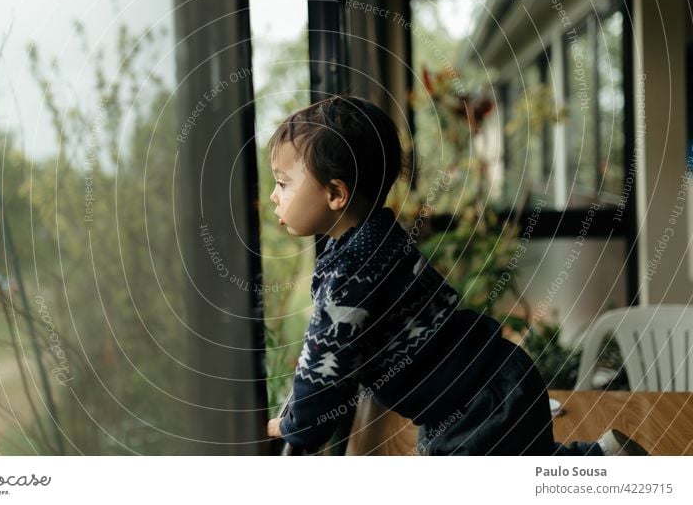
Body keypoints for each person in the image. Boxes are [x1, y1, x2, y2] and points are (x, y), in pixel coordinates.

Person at [264, 95, 648, 456]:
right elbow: (340, 346)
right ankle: (602, 459)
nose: (273, 196)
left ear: (336, 194)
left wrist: (296, 426)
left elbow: (325, 370)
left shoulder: (349, 276)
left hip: (472, 409)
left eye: (283, 183)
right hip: (498, 374)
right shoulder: (381, 240)